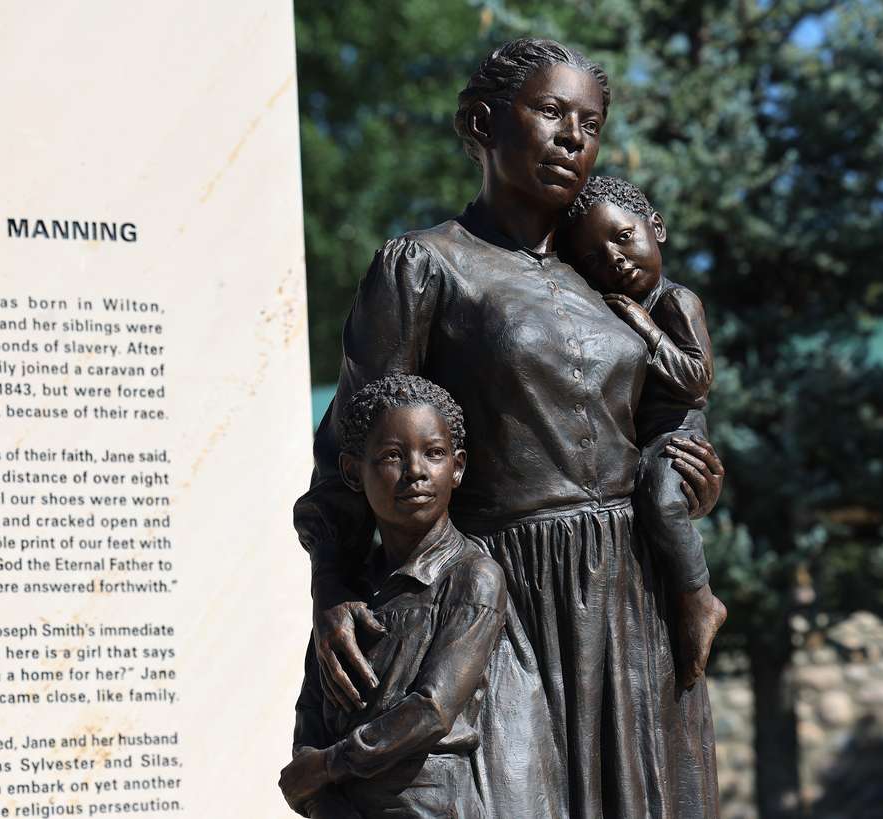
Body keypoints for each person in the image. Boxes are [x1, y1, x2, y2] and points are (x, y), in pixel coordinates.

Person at [293, 38, 725, 818]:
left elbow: (666, 409)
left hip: (632, 597)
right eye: (551, 112)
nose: (573, 138)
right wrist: (332, 589)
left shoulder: (610, 269)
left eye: (589, 124)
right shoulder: (425, 265)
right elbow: (351, 454)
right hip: (505, 602)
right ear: (481, 123)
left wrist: (686, 464)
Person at [279, 374, 506, 819]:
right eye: (391, 456)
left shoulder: (473, 577)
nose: (416, 471)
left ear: (458, 467)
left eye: (434, 453)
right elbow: (310, 714)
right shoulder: (347, 596)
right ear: (352, 472)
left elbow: (433, 709)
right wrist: (319, 795)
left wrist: (327, 766)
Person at [559, 175, 729, 689]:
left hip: (676, 432)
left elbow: (697, 381)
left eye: (623, 236)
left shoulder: (676, 303)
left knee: (661, 495)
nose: (614, 258)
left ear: (656, 227)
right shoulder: (612, 310)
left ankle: (699, 597)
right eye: (593, 257)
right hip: (640, 439)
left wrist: (644, 326)